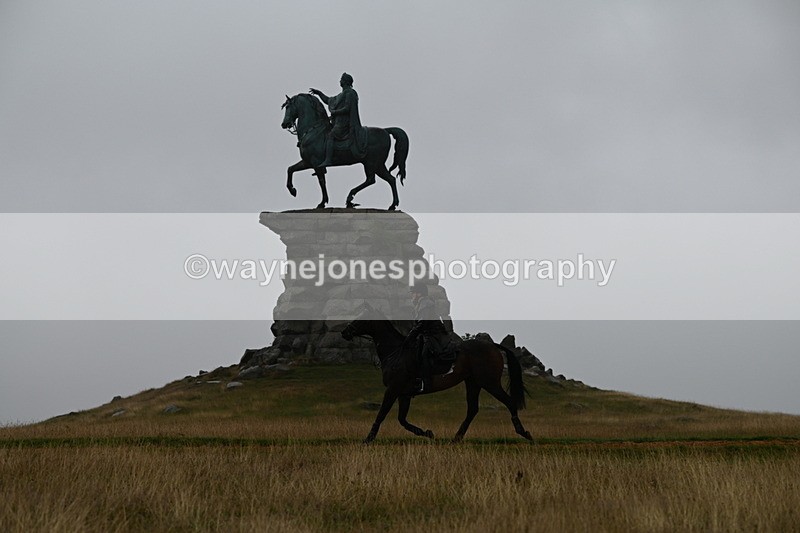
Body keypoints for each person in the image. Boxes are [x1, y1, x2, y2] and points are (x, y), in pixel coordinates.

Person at [309, 72, 368, 169]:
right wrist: (319, 93)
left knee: (330, 135)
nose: (340, 81)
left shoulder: (350, 93)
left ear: (345, 82)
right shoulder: (341, 95)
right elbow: (328, 100)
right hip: (338, 122)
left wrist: (335, 112)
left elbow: (348, 108)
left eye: (341, 79)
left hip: (345, 123)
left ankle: (328, 160)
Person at [407, 284, 448, 393]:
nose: (411, 295)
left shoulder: (425, 304)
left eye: (413, 293)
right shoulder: (420, 303)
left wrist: (411, 336)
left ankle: (426, 383)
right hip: (426, 333)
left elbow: (422, 323)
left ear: (419, 293)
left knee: (424, 354)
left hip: (433, 334)